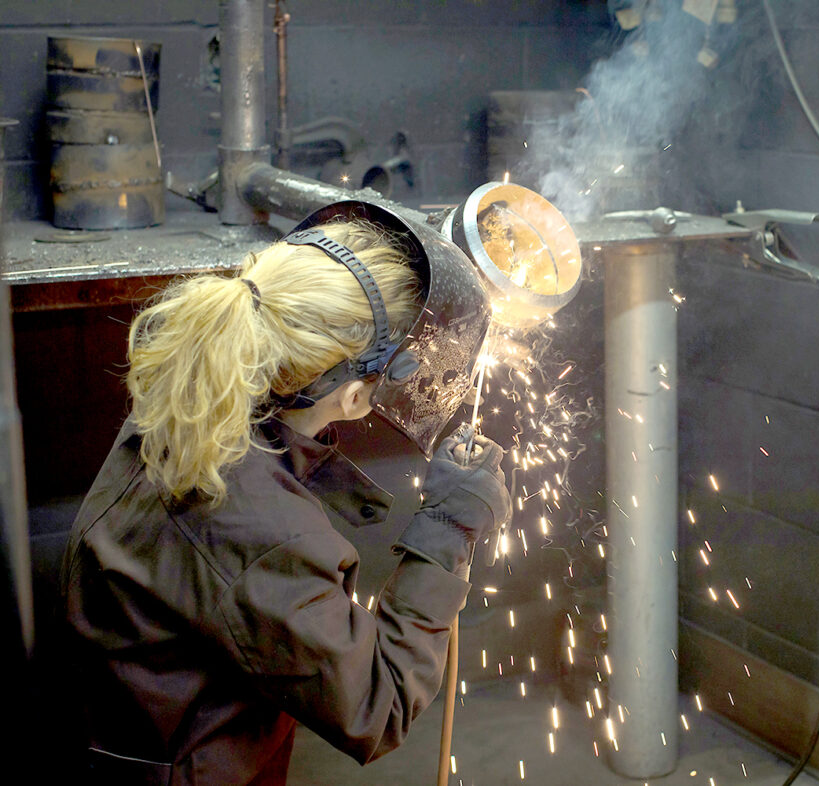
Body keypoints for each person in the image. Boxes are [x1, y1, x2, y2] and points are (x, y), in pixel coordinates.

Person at [59, 201, 511, 785]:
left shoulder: (193, 393)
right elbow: (380, 706)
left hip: (131, 725)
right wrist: (447, 529)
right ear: (354, 397)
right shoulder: (266, 535)